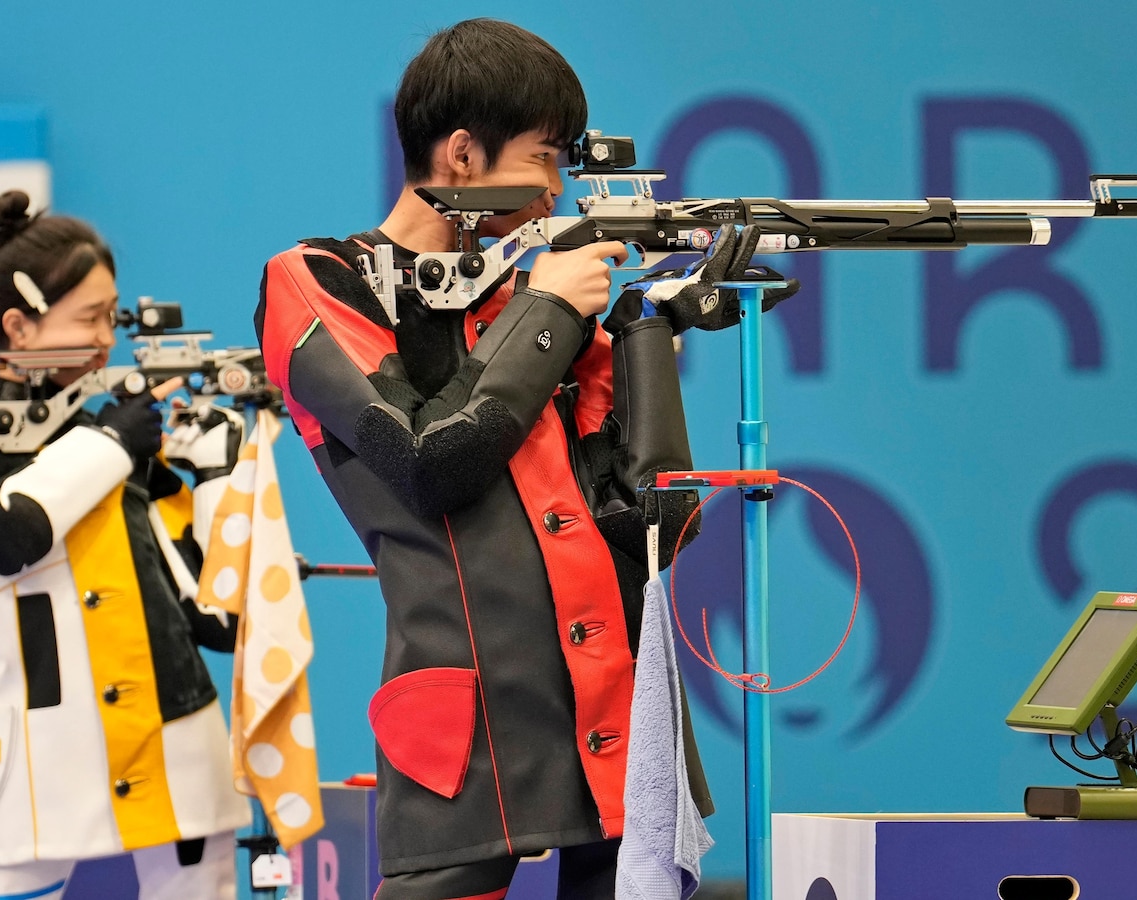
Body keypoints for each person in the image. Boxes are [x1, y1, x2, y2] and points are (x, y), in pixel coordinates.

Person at [256, 18, 795, 900]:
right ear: (463, 154)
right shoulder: (319, 279)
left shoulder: (533, 296)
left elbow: (652, 526)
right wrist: (547, 311)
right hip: (464, 733)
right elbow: (427, 462)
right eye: (546, 158)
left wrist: (645, 335)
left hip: (621, 708)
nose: (557, 191)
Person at [0, 191, 252, 900]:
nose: (104, 341)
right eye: (89, 319)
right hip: (33, 763)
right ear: (19, 327)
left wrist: (217, 475)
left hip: (176, 748)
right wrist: (110, 442)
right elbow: (2, 534)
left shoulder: (131, 453)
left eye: (110, 318)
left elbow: (221, 619)